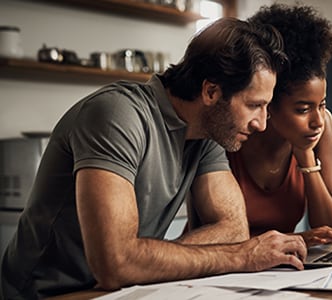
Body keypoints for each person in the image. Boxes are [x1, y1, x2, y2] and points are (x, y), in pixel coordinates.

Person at [0, 18, 308, 299]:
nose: (262, 123)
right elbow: (116, 264)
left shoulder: (208, 133)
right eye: (255, 105)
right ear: (211, 92)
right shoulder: (117, 115)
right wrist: (241, 256)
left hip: (122, 290)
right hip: (45, 295)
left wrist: (146, 260)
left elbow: (233, 229)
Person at [226, 4, 332, 249]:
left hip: (279, 273)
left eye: (322, 104)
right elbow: (211, 233)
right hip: (214, 273)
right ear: (268, 104)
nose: (318, 120)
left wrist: (306, 157)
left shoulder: (320, 127)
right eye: (303, 109)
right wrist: (294, 239)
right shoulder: (232, 133)